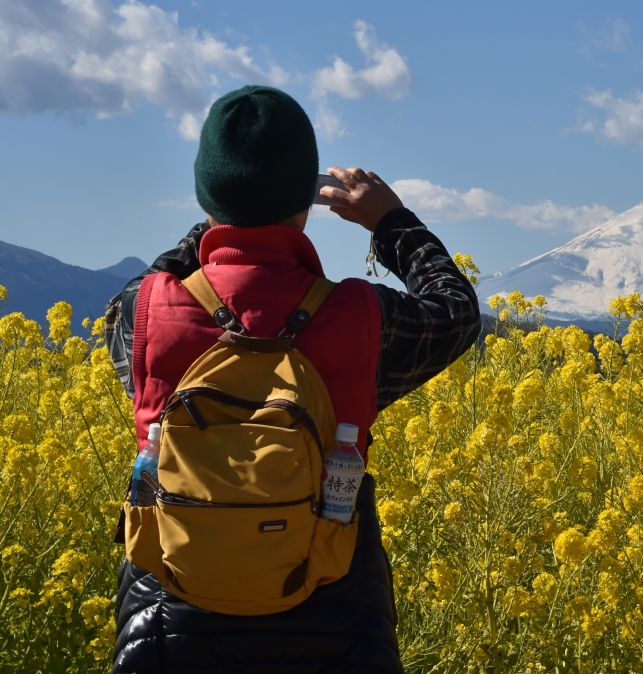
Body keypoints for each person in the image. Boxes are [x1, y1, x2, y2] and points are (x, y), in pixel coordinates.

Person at [104, 85, 481, 673]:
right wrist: (392, 223)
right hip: (335, 624)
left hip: (168, 625)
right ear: (307, 197)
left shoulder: (145, 310)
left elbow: (163, 277)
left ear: (207, 194)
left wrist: (215, 221)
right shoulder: (358, 317)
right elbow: (456, 312)